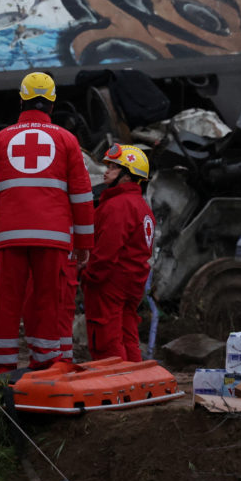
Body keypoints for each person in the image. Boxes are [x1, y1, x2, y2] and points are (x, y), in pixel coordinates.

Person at [0, 72, 94, 377]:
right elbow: (82, 197)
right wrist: (84, 244)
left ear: (21, 100)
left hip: (9, 237)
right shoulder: (67, 140)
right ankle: (47, 366)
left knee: (8, 301)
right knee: (48, 301)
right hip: (53, 237)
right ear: (51, 104)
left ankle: (0, 369)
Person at [82, 143, 155, 362]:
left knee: (107, 341)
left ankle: (116, 389)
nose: (106, 171)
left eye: (113, 167)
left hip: (110, 282)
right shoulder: (142, 206)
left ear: (126, 176)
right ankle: (135, 384)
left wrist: (89, 276)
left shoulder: (118, 206)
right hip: (132, 283)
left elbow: (106, 250)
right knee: (127, 336)